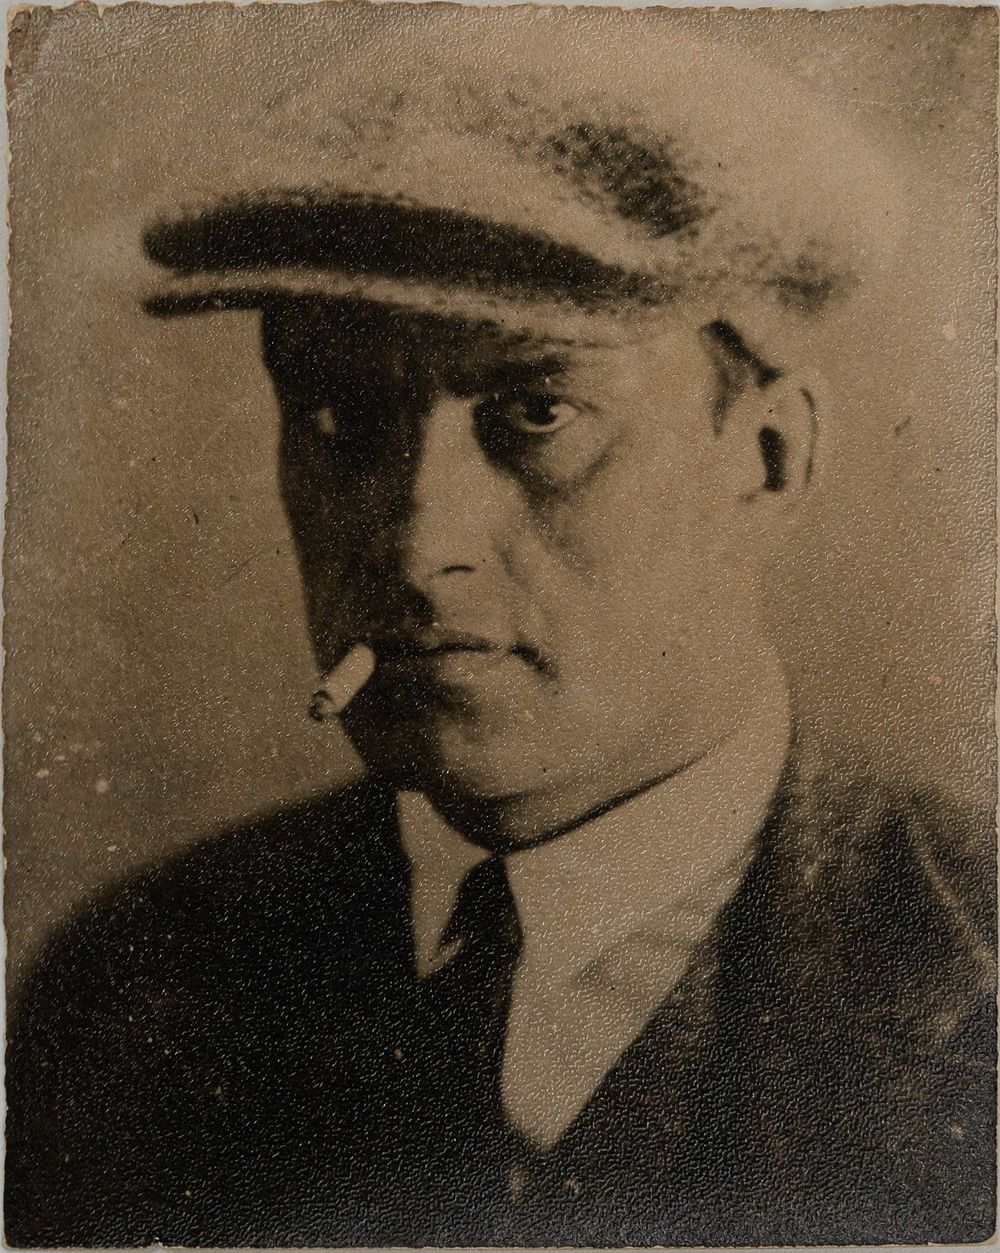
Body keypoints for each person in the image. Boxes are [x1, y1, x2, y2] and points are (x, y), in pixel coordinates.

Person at [5, 23, 995, 1249]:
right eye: (339, 418)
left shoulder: (973, 987)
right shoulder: (131, 986)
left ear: (766, 459)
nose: (418, 544)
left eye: (536, 411)